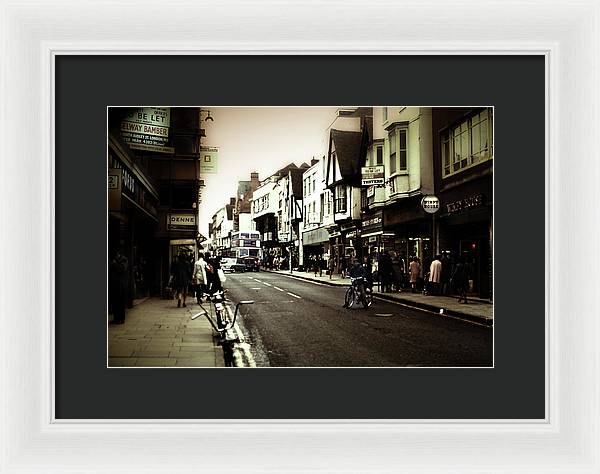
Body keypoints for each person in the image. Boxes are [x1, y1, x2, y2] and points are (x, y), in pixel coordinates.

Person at [109, 248, 128, 324]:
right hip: (114, 284)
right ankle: (116, 318)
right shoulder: (113, 260)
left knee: (120, 302)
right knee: (115, 302)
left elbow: (122, 269)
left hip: (120, 285)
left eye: (117, 254)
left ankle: (121, 319)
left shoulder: (124, 260)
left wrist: (114, 264)